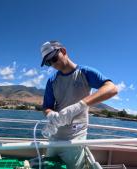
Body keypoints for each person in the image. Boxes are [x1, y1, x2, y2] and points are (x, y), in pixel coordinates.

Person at [40, 40, 118, 169]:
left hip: (75, 138)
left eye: (54, 58)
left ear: (63, 51)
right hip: (54, 137)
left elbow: (112, 88)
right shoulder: (52, 80)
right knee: (49, 166)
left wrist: (80, 105)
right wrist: (51, 115)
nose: (53, 64)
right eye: (48, 62)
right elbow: (46, 107)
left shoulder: (85, 72)